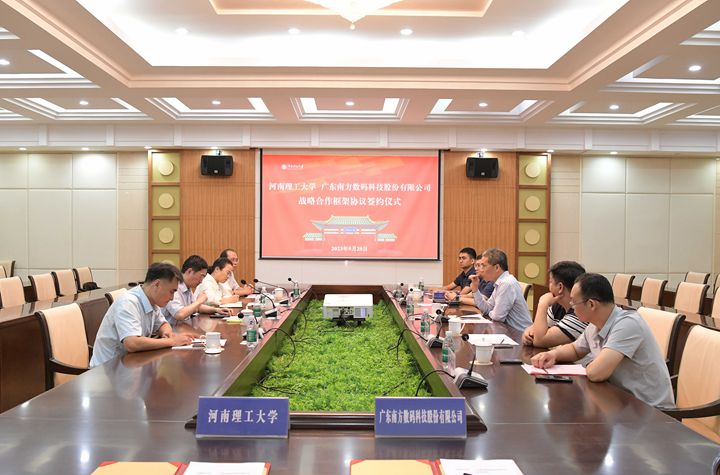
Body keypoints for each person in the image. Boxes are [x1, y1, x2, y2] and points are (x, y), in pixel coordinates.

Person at [531, 273, 674, 407]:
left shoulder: (628, 324)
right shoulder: (595, 324)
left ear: (591, 304)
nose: (571, 307)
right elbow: (575, 349)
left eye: (574, 302)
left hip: (650, 410)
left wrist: (589, 365)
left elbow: (597, 373)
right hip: (620, 402)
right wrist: (553, 355)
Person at [89, 263, 193, 367]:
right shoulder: (128, 302)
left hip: (128, 364)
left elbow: (163, 324)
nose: (172, 298)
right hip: (107, 370)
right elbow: (132, 343)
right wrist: (172, 341)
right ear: (157, 284)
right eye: (171, 292)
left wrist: (167, 333)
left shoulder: (152, 300)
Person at [522, 261, 588, 348]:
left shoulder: (580, 314)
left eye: (550, 282)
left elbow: (539, 341)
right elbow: (536, 329)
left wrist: (543, 303)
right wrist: (528, 332)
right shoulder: (557, 306)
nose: (548, 286)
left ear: (560, 287)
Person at [470, 248, 532, 331]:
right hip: (507, 330)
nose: (480, 270)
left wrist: (492, 311)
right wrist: (475, 289)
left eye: (483, 266)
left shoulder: (507, 283)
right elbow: (487, 309)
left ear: (497, 267)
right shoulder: (499, 283)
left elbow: (497, 317)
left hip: (520, 334)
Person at [163, 255, 231, 325]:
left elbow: (196, 307)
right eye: (201, 276)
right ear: (190, 271)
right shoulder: (174, 287)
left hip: (183, 327)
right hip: (173, 329)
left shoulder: (187, 287)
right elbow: (180, 314)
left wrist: (216, 310)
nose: (201, 281)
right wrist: (199, 301)